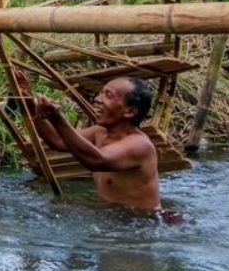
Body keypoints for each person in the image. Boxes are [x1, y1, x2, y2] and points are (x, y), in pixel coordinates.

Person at [29, 76, 160, 211]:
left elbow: (96, 160)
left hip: (142, 222)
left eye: (108, 96)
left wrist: (57, 118)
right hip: (114, 217)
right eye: (101, 93)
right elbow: (57, 141)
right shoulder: (99, 132)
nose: (97, 99)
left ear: (130, 111)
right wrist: (29, 102)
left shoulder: (140, 145)